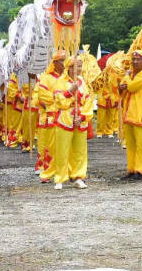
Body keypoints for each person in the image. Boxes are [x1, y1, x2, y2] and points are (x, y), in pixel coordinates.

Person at [52, 55, 94, 189]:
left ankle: (78, 176)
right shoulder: (60, 81)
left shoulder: (83, 81)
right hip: (65, 119)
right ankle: (60, 178)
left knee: (80, 151)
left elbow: (88, 102)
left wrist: (82, 116)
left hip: (79, 120)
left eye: (80, 66)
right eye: (75, 67)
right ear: (69, 68)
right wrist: (69, 92)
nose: (78, 69)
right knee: (62, 150)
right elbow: (59, 102)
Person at [119, 50, 142, 180]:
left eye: (138, 59)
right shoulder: (131, 74)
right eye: (133, 59)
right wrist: (123, 85)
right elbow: (121, 88)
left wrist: (127, 78)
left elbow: (132, 87)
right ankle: (131, 169)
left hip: (140, 114)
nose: (134, 62)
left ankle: (141, 170)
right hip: (129, 114)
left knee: (141, 145)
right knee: (130, 144)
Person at [36, 51, 65, 180]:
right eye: (62, 60)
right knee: (48, 143)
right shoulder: (46, 78)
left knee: (64, 143)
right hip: (50, 115)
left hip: (65, 115)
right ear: (55, 63)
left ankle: (63, 169)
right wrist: (61, 97)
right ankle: (46, 167)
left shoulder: (68, 78)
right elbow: (42, 96)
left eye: (65, 60)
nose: (64, 64)